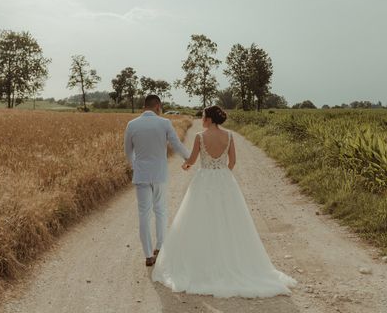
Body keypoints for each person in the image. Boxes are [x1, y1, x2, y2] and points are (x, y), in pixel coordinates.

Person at [152, 105, 297, 297]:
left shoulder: (200, 137)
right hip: (224, 180)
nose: (202, 119)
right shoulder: (229, 136)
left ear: (210, 119)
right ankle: (231, 260)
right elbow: (233, 161)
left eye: (203, 116)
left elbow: (193, 159)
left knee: (201, 219)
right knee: (229, 219)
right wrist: (223, 174)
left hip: (204, 180)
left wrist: (186, 165)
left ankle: (204, 260)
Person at [124, 94, 190, 267]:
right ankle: (159, 247)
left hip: (141, 175)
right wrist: (188, 159)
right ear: (158, 106)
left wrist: (135, 166)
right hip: (159, 174)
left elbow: (128, 151)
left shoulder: (132, 124)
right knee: (160, 210)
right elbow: (176, 144)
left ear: (144, 106)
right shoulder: (164, 123)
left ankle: (147, 255)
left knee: (143, 214)